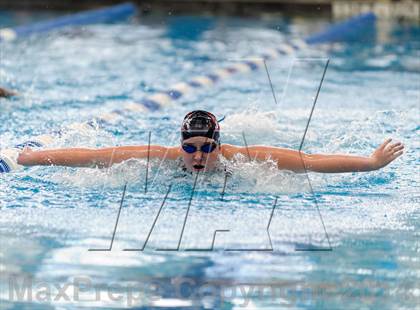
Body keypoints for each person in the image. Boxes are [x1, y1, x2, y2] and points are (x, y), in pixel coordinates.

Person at [17, 110, 404, 173]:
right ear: (180, 145)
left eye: (207, 147)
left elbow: (309, 161)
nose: (199, 155)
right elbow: (95, 157)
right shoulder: (162, 157)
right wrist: (33, 158)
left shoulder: (247, 159)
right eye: (191, 148)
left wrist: (371, 163)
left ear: (220, 145)